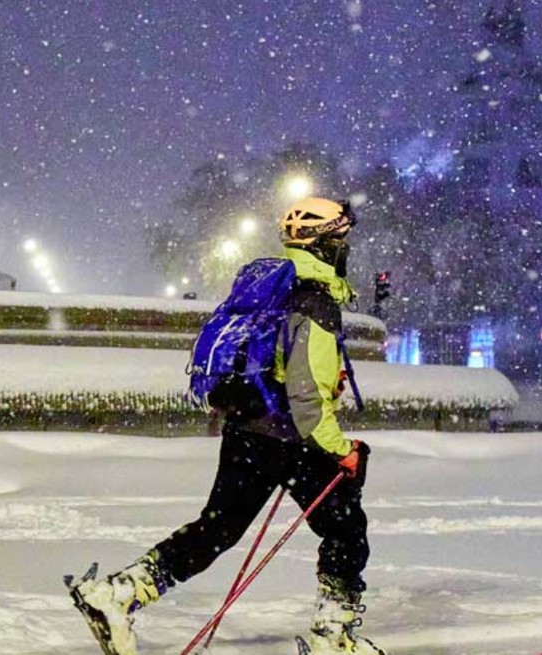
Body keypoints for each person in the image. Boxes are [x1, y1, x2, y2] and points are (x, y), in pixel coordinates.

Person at [70, 197, 384, 655]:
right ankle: (333, 639)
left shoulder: (269, 286)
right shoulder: (313, 297)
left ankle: (119, 593)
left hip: (245, 430)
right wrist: (341, 450)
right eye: (341, 238)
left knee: (216, 528)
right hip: (292, 439)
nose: (345, 247)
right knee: (346, 531)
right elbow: (306, 396)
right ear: (326, 243)